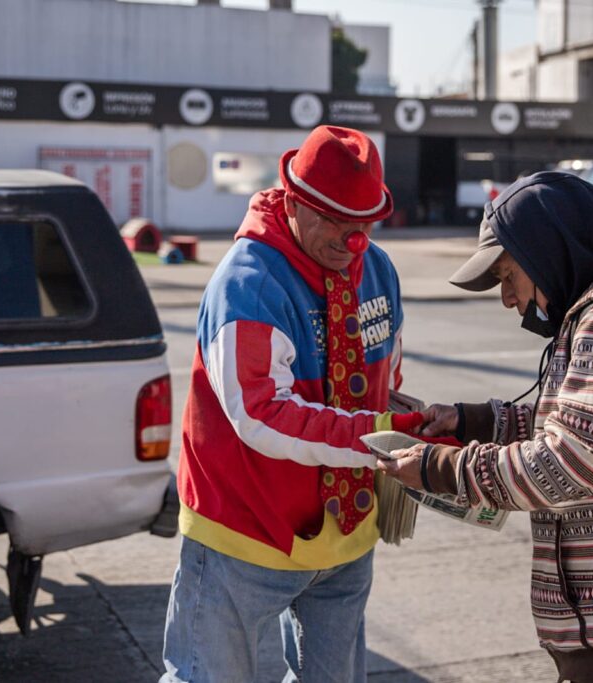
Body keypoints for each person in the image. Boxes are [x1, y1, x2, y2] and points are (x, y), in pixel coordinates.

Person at [378, 171, 593, 683]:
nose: (506, 298)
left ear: (548, 252)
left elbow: (564, 467)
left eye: (507, 276)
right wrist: (477, 421)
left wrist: (440, 469)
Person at [161, 125, 421, 683]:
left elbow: (386, 383)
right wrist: (381, 437)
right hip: (246, 532)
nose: (353, 241)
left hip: (346, 537)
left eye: (364, 224)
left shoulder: (377, 268)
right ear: (295, 201)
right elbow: (259, 413)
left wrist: (425, 433)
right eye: (334, 220)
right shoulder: (248, 282)